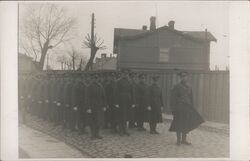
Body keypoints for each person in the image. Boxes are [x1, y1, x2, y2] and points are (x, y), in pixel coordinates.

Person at [169, 71, 204, 145]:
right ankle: (178, 140)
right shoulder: (177, 86)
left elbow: (191, 99)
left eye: (185, 76)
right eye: (182, 77)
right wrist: (173, 109)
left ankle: (183, 140)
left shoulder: (189, 87)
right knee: (178, 124)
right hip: (179, 109)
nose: (184, 78)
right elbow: (173, 99)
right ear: (180, 78)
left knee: (186, 124)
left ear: (187, 77)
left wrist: (192, 108)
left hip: (187, 108)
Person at [86, 74, 106, 139]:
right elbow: (87, 98)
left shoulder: (100, 86)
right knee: (92, 121)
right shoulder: (89, 86)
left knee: (99, 121)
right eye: (94, 78)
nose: (96, 80)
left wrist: (104, 105)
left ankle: (97, 134)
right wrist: (88, 107)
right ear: (92, 79)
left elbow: (103, 97)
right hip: (92, 106)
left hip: (99, 106)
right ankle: (92, 134)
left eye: (97, 78)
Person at [114, 69, 133, 136]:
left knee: (126, 116)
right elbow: (116, 93)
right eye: (124, 74)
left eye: (126, 74)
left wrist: (132, 102)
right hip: (121, 101)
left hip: (128, 101)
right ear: (122, 74)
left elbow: (131, 92)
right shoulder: (118, 81)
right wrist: (116, 103)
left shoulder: (130, 81)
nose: (125, 75)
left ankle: (125, 129)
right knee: (121, 116)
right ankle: (120, 130)